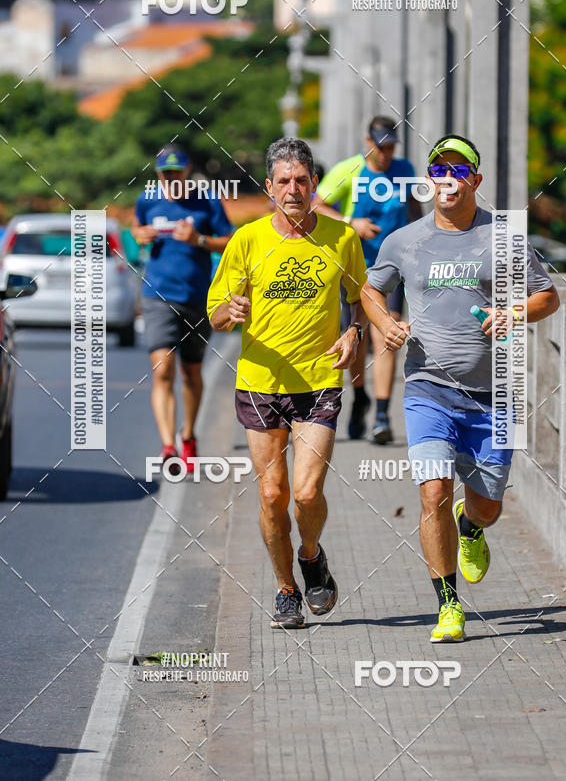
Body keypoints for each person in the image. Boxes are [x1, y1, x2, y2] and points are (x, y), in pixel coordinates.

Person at [361, 134, 560, 642]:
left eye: (457, 169)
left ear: (475, 179)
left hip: (498, 388)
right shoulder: (404, 240)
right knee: (432, 493)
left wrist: (512, 312)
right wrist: (383, 322)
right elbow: (370, 288)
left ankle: (470, 527)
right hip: (428, 388)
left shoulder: (505, 237)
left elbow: (547, 297)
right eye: (438, 169)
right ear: (429, 180)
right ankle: (449, 607)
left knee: (488, 505)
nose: (447, 178)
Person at [207, 137, 368, 630]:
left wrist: (355, 331)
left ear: (314, 183)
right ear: (270, 187)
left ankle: (312, 556)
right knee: (272, 495)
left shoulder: (342, 239)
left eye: (302, 180)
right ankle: (284, 589)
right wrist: (228, 312)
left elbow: (363, 296)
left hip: (318, 382)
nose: (293, 189)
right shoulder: (247, 240)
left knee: (304, 492)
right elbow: (214, 315)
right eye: (284, 181)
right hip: (259, 383)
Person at [313, 115, 420, 443]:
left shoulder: (404, 170)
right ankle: (360, 396)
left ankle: (383, 415)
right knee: (356, 337)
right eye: (381, 146)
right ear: (368, 142)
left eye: (391, 147)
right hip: (356, 269)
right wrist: (350, 222)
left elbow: (414, 207)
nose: (386, 153)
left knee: (387, 333)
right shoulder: (349, 170)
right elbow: (316, 205)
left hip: (395, 268)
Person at [132, 145, 232, 470]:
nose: (172, 177)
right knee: (163, 371)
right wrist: (140, 235)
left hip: (197, 297)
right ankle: (167, 447)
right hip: (157, 294)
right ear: (158, 174)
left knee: (191, 373)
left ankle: (188, 435)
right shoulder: (147, 201)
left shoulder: (206, 201)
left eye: (177, 171)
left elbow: (230, 241)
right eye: (166, 173)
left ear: (187, 171)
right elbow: (137, 228)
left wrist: (199, 240)